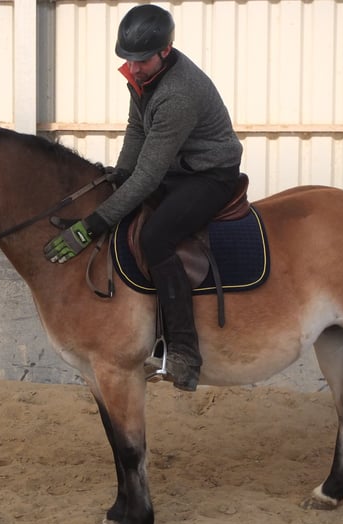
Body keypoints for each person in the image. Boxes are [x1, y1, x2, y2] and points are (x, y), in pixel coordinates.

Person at [44, 4, 243, 392]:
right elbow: (137, 130)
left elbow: (149, 176)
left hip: (209, 175)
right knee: (126, 201)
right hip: (178, 167)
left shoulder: (178, 94)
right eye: (127, 60)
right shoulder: (144, 78)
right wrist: (116, 178)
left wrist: (91, 227)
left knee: (155, 237)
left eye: (142, 60)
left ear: (165, 51)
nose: (133, 68)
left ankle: (185, 351)